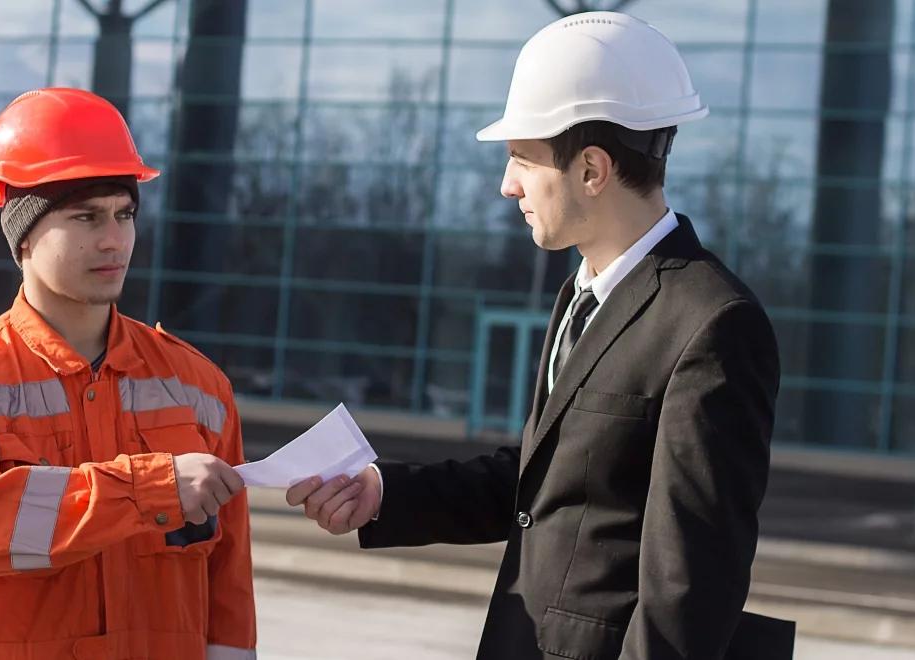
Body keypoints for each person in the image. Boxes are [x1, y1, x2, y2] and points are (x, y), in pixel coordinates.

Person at [286, 12, 794, 660]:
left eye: (521, 158)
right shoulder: (582, 295)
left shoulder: (712, 325)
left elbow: (690, 584)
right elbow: (545, 487)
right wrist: (385, 493)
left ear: (590, 170)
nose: (506, 186)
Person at [0, 87, 256, 660]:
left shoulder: (198, 385)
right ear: (25, 234)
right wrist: (149, 489)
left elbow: (229, 582)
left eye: (124, 214)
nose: (114, 239)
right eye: (85, 217)